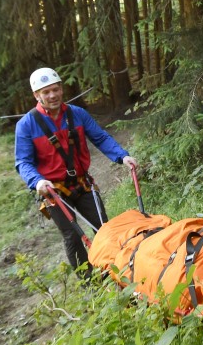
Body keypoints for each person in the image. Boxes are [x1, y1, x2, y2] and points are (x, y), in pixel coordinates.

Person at [15, 67, 137, 277]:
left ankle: (114, 272)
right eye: (46, 92)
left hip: (82, 183)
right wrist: (37, 181)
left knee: (103, 228)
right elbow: (23, 162)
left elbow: (100, 137)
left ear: (61, 89)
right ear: (37, 95)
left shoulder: (77, 114)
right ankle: (89, 283)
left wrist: (122, 156)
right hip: (53, 190)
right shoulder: (26, 125)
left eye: (55, 89)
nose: (52, 95)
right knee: (72, 235)